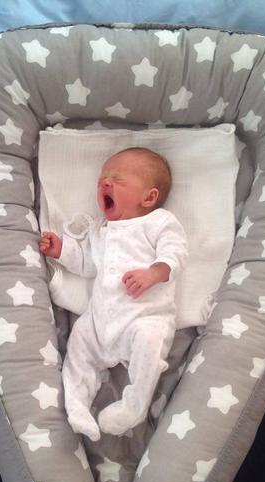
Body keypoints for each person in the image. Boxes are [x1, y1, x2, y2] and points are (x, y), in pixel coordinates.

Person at [39, 147, 188, 441]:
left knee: (150, 343)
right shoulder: (101, 230)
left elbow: (177, 253)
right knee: (79, 344)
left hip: (142, 318)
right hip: (100, 320)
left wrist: (154, 273)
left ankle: (134, 406)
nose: (105, 183)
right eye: (102, 180)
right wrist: (62, 250)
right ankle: (77, 405)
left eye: (117, 179)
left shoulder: (159, 222)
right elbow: (87, 263)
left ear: (149, 197)